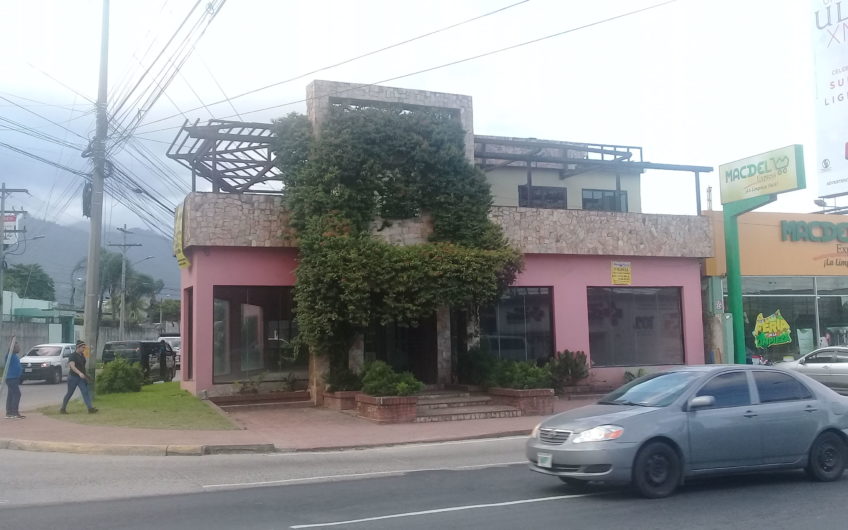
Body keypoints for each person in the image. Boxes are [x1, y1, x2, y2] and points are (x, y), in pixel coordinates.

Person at [59, 340, 98, 414]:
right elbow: (72, 366)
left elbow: (82, 366)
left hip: (81, 378)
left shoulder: (82, 355)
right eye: (83, 347)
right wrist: (80, 373)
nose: (84, 349)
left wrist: (85, 374)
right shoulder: (72, 355)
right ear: (78, 347)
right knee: (70, 393)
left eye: (84, 347)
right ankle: (63, 408)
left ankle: (90, 408)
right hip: (73, 377)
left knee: (85, 392)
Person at [4, 340, 23, 419]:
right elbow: (10, 349)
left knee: (11, 394)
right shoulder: (9, 355)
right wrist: (13, 341)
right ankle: (14, 412)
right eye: (17, 347)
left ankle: (9, 412)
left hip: (14, 378)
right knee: (17, 394)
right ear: (13, 348)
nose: (19, 349)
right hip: (11, 378)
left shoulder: (15, 355)